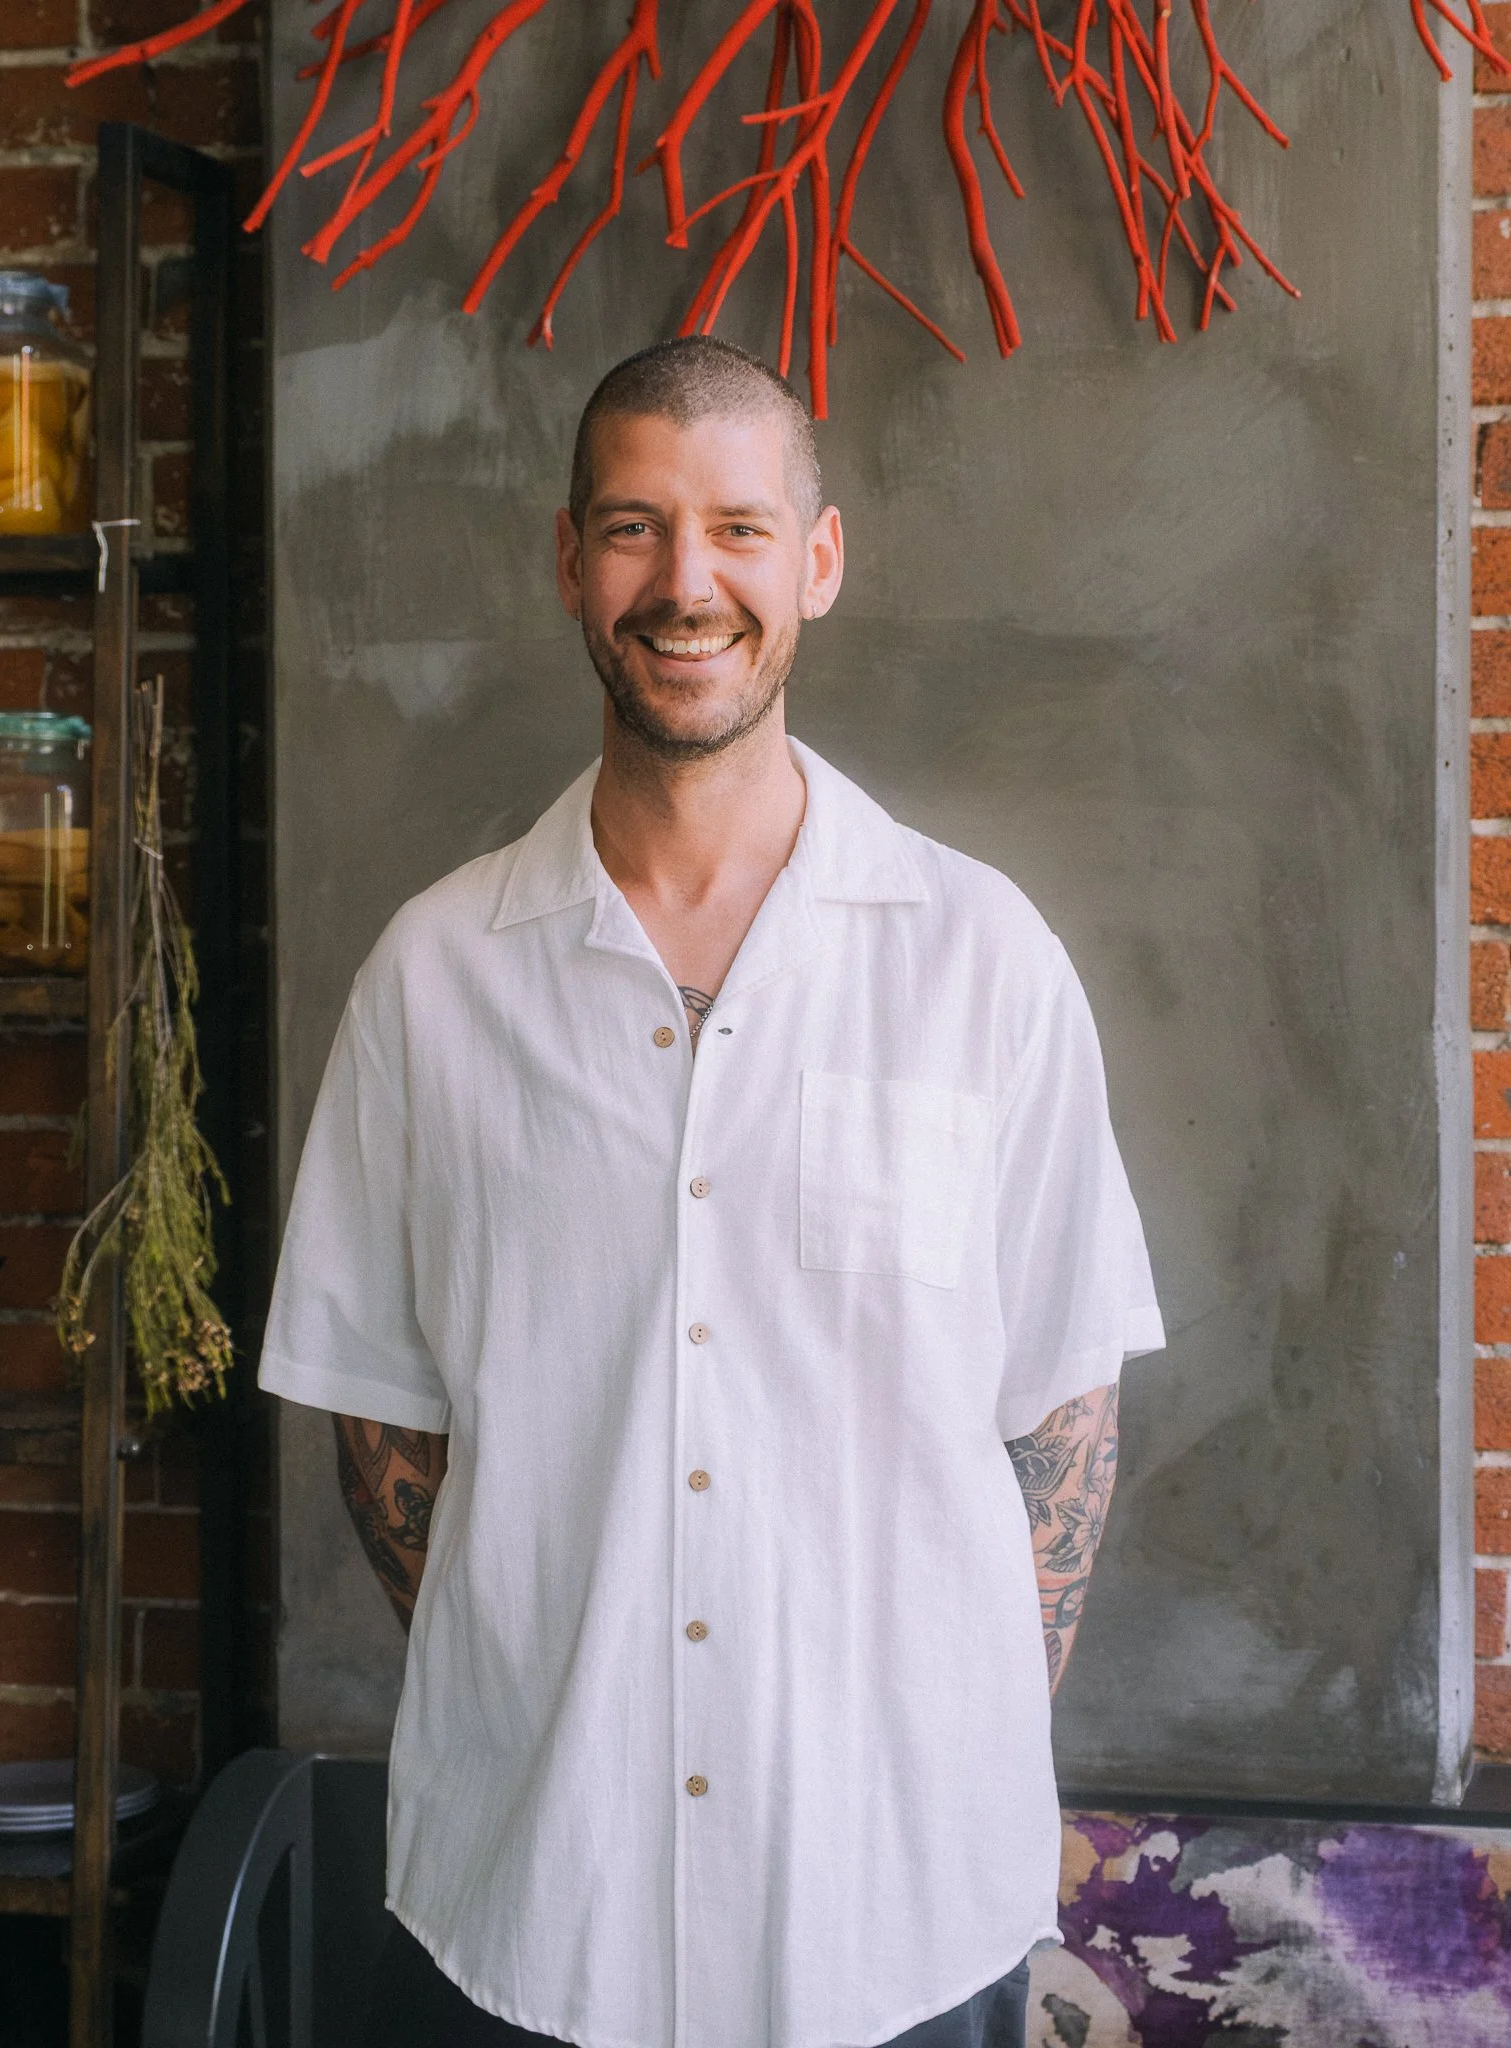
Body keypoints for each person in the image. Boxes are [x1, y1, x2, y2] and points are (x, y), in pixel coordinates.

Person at [258, 336, 1164, 2048]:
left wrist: (917, 1745)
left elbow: (1060, 1413)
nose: (687, 582)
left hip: (897, 1907)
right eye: (633, 526)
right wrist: (553, 1690)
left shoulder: (982, 963)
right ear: (569, 560)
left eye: (738, 528)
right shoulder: (435, 977)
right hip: (536, 1900)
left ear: (816, 561)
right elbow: (384, 1419)